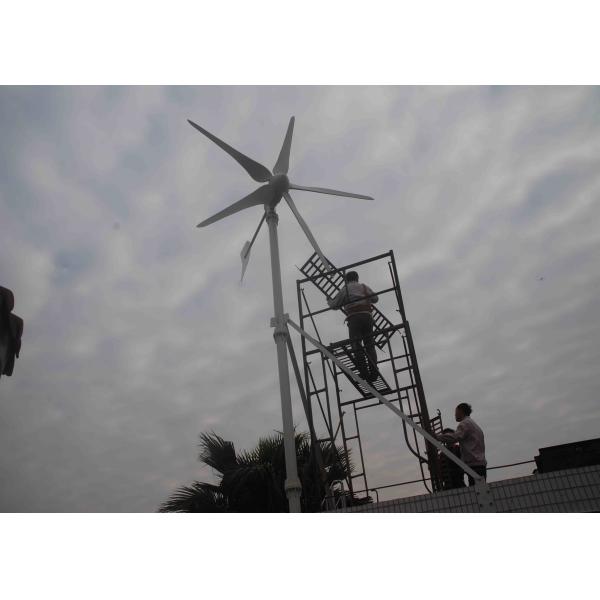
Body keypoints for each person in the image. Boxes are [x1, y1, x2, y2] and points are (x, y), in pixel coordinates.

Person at [327, 271, 379, 382]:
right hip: (367, 317)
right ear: (357, 278)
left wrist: (329, 300)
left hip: (354, 318)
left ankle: (364, 372)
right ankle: (374, 372)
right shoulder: (364, 287)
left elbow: (334, 305)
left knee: (356, 345)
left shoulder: (345, 289)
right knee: (370, 345)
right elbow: (375, 299)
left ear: (346, 280)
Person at [437, 403, 487, 486]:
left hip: (474, 466)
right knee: (480, 489)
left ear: (460, 411)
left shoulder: (465, 423)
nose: (455, 415)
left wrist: (437, 437)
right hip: (480, 464)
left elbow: (455, 437)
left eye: (456, 412)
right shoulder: (474, 425)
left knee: (476, 490)